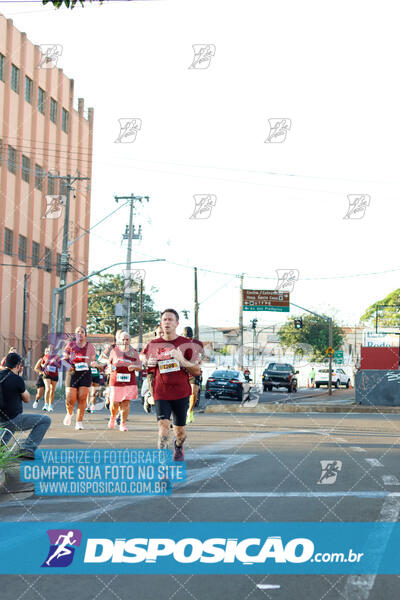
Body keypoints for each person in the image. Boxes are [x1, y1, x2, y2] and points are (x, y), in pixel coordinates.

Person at [141, 309, 201, 461]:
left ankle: (178, 446)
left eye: (170, 319)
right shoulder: (154, 344)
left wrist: (182, 360)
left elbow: (197, 370)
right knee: (163, 429)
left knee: (180, 433)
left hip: (181, 393)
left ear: (177, 323)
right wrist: (147, 362)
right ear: (161, 323)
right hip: (161, 392)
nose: (167, 322)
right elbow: (143, 358)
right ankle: (163, 468)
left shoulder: (186, 344)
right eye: (164, 320)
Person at [0, 352, 51, 459]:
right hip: (12, 420)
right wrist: (19, 378)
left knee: (9, 425)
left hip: (2, 420)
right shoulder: (17, 379)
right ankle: (27, 448)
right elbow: (27, 399)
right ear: (18, 366)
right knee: (45, 420)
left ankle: (1, 447)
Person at [62, 326, 97, 430]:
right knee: (70, 399)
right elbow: (63, 360)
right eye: (78, 332)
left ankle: (79, 422)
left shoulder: (90, 347)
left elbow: (93, 360)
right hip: (72, 373)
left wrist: (94, 363)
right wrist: (69, 366)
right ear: (75, 335)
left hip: (85, 374)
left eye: (82, 332)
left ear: (85, 335)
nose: (80, 334)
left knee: (82, 398)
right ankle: (69, 413)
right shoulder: (70, 345)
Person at [107, 331, 141, 432]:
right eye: (123, 339)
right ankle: (113, 416)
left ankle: (123, 423)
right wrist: (111, 367)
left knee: (126, 403)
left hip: (129, 381)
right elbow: (109, 364)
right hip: (116, 380)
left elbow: (139, 366)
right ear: (119, 340)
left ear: (130, 340)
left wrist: (134, 366)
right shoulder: (114, 351)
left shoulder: (134, 352)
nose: (125, 341)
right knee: (114, 403)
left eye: (127, 339)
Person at [182, 326, 204, 424]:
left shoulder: (198, 343)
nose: (189, 340)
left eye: (190, 338)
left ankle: (190, 411)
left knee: (194, 393)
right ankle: (180, 412)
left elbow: (202, 354)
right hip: (182, 371)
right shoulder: (179, 343)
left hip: (194, 370)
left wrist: (200, 359)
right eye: (187, 338)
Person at [41, 345, 61, 412]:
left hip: (54, 374)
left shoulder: (57, 357)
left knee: (52, 390)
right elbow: (42, 364)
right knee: (48, 388)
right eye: (50, 348)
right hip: (47, 374)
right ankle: (45, 404)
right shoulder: (46, 356)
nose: (51, 350)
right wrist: (45, 364)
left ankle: (50, 405)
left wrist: (55, 362)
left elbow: (59, 366)